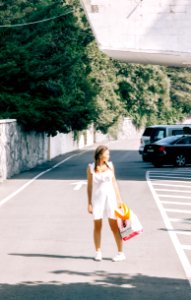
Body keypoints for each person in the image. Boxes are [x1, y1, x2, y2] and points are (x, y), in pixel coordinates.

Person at [87, 145, 126, 262]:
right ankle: (98, 252)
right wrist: (89, 203)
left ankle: (120, 253)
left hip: (111, 200)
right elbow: (89, 187)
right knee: (97, 226)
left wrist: (119, 200)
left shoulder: (110, 165)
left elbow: (114, 183)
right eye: (107, 154)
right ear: (100, 155)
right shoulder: (91, 168)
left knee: (114, 226)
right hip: (97, 200)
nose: (109, 156)